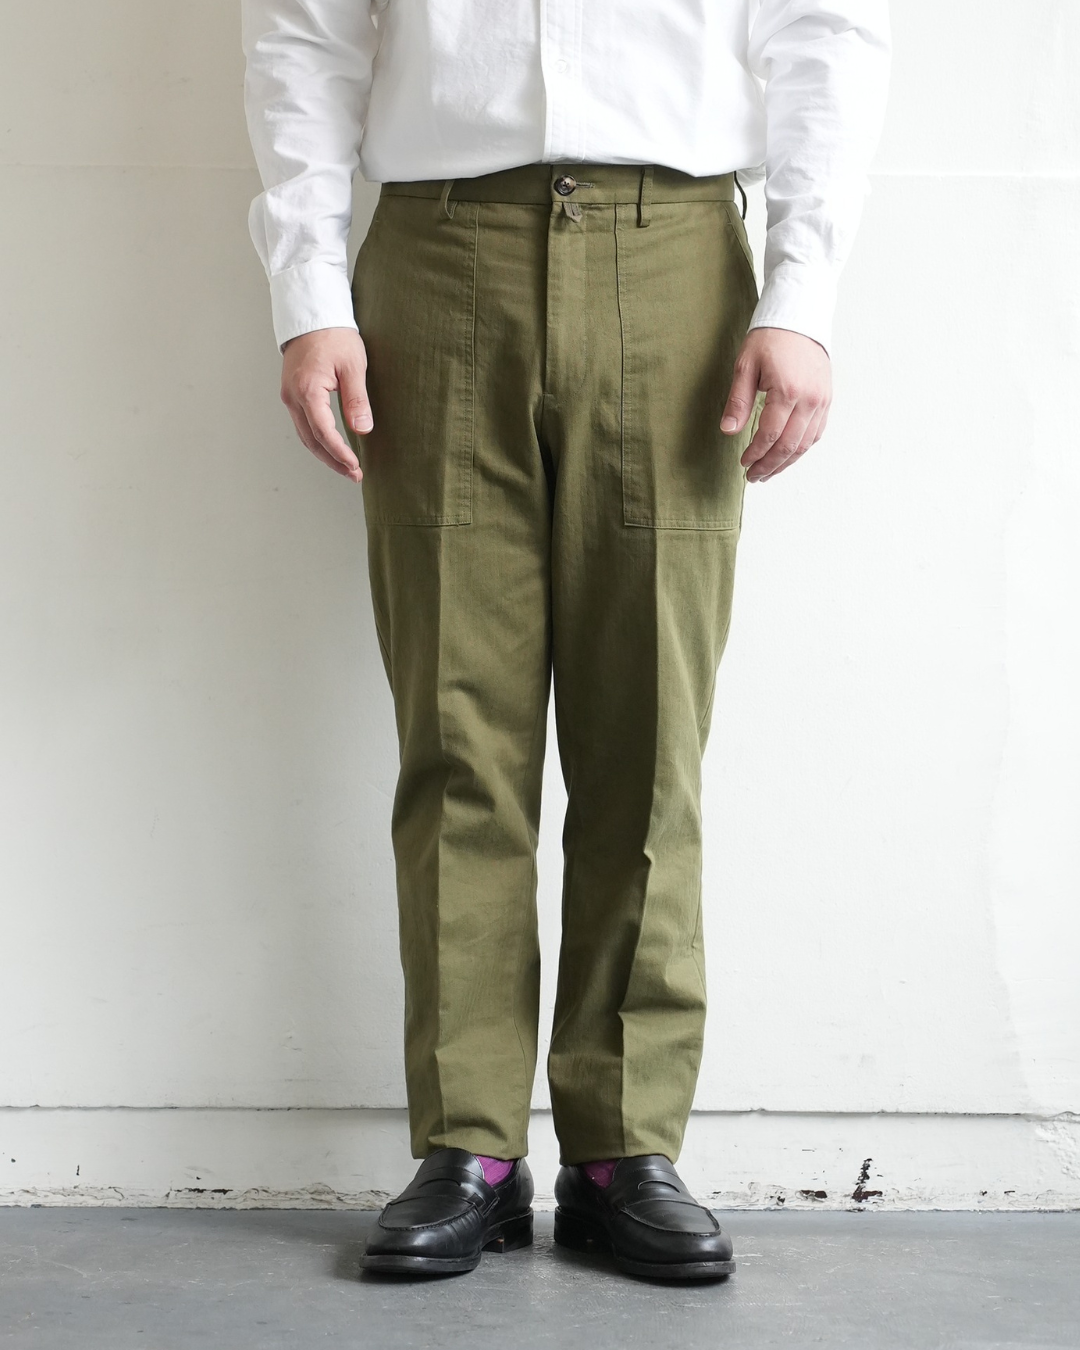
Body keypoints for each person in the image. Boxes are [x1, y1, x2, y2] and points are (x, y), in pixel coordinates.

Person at [241, 0, 890, 1282]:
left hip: (679, 256)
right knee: (456, 737)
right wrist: (307, 290)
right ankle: (469, 1147)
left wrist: (804, 293)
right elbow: (302, 32)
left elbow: (827, 27)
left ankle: (622, 1148)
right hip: (438, 248)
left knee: (648, 737)